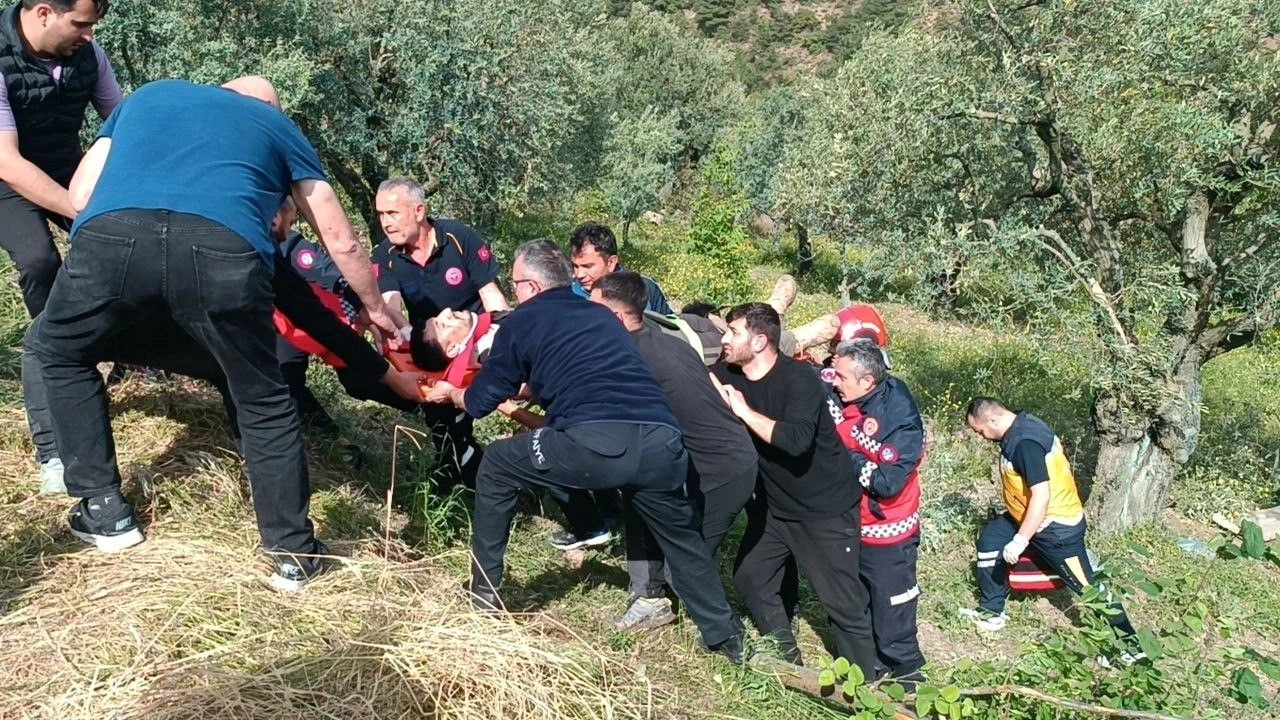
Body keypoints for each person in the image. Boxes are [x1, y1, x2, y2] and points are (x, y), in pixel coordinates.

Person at [25, 76, 407, 592]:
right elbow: (340, 238)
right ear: (266, 107)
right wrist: (376, 308)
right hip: (223, 252)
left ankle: (103, 508)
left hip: (113, 241)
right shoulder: (273, 123)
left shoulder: (149, 96)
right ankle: (292, 553)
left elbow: (81, 192)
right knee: (263, 397)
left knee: (57, 350)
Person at [422, 239, 744, 662]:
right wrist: (535, 386)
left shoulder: (522, 321)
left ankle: (483, 594)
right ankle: (726, 639)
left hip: (596, 440)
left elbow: (481, 401)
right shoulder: (601, 316)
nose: (514, 291)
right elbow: (591, 371)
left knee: (498, 464)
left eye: (516, 283)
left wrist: (452, 392)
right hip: (663, 440)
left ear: (532, 287)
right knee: (682, 541)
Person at [709, 302, 876, 675]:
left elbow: (795, 440)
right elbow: (697, 378)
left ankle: (871, 691)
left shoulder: (798, 380)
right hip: (776, 508)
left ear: (759, 341)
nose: (724, 339)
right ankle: (789, 662)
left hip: (824, 510)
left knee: (842, 604)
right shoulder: (727, 373)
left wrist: (744, 412)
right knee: (751, 578)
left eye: (733, 332)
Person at [590, 272, 758, 632]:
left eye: (592, 311)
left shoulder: (628, 359)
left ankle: (729, 634)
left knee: (681, 571)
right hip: (699, 461)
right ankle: (649, 596)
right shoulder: (666, 340)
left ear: (616, 318)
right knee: (638, 486)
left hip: (725, 470)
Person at [0, 0, 122, 492]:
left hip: (64, 165)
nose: (89, 35)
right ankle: (54, 365)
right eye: (83, 23)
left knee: (122, 246)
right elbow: (6, 162)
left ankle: (131, 350)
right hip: (5, 179)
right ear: (46, 12)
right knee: (39, 261)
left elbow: (122, 122)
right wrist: (80, 212)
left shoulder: (88, 54)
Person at [961, 398, 1141, 657]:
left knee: (1087, 588)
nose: (981, 436)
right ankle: (992, 612)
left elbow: (1041, 496)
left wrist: (1021, 539)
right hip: (1026, 516)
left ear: (992, 419)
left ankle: (1131, 648)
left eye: (980, 431)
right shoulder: (1023, 422)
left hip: (1055, 527)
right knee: (990, 541)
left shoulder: (1025, 444)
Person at [371, 176, 508, 487]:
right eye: (381, 215)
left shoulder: (458, 238)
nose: (386, 223)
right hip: (432, 352)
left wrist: (507, 342)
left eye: (393, 214)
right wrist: (402, 335)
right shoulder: (385, 256)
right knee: (442, 423)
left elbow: (491, 295)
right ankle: (459, 476)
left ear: (419, 211)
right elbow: (392, 306)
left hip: (475, 342)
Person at [829, 339, 927, 685]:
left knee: (892, 607)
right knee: (856, 600)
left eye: (840, 376)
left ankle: (909, 675)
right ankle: (868, 668)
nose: (833, 381)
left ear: (867, 381)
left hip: (887, 531)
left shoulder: (899, 422)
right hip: (851, 524)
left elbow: (887, 483)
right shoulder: (853, 393)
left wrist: (845, 456)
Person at [569, 222, 671, 314]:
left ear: (611, 263)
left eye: (587, 266)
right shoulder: (568, 296)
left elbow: (671, 331)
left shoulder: (645, 288)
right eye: (575, 266)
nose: (579, 274)